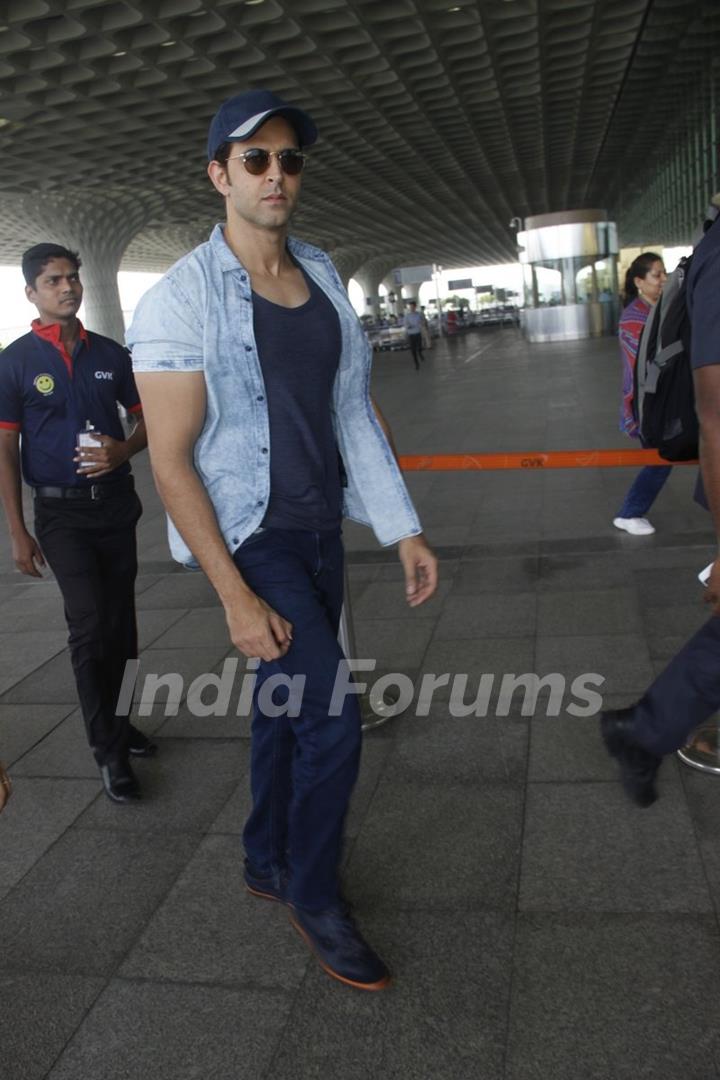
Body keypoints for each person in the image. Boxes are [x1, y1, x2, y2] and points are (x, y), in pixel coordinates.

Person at [127, 89, 438, 991]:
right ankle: (312, 891)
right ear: (219, 174)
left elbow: (350, 413)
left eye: (289, 159)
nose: (275, 174)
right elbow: (173, 464)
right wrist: (234, 594)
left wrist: (403, 526)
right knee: (332, 717)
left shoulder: (324, 271)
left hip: (318, 530)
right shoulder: (181, 299)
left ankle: (265, 856)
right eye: (254, 159)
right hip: (251, 535)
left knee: (280, 708)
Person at [0, 243, 151, 804]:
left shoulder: (111, 352)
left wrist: (124, 450)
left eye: (72, 278)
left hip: (115, 503)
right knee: (90, 627)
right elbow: (6, 449)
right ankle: (106, 751)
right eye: (53, 280)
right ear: (32, 294)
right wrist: (18, 529)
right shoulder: (13, 363)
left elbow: (145, 420)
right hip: (60, 513)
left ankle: (122, 722)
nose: (67, 287)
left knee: (123, 625)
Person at [601, 202, 720, 806]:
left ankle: (642, 731)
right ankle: (642, 730)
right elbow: (714, 413)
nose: (652, 280)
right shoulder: (713, 264)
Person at [613, 253, 670, 535]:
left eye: (664, 273)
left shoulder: (657, 309)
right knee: (660, 459)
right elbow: (646, 364)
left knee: (666, 457)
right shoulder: (633, 319)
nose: (663, 280)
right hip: (646, 403)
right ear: (639, 281)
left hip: (661, 399)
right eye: (656, 275)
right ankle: (629, 512)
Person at [403, 300, 424, 370]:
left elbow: (422, 322)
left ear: (415, 307)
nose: (411, 308)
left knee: (419, 347)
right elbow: (405, 324)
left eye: (413, 307)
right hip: (411, 334)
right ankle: (416, 363)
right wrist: (408, 327)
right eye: (410, 307)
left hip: (417, 333)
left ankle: (420, 353)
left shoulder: (419, 314)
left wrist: (420, 325)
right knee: (413, 350)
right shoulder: (407, 316)